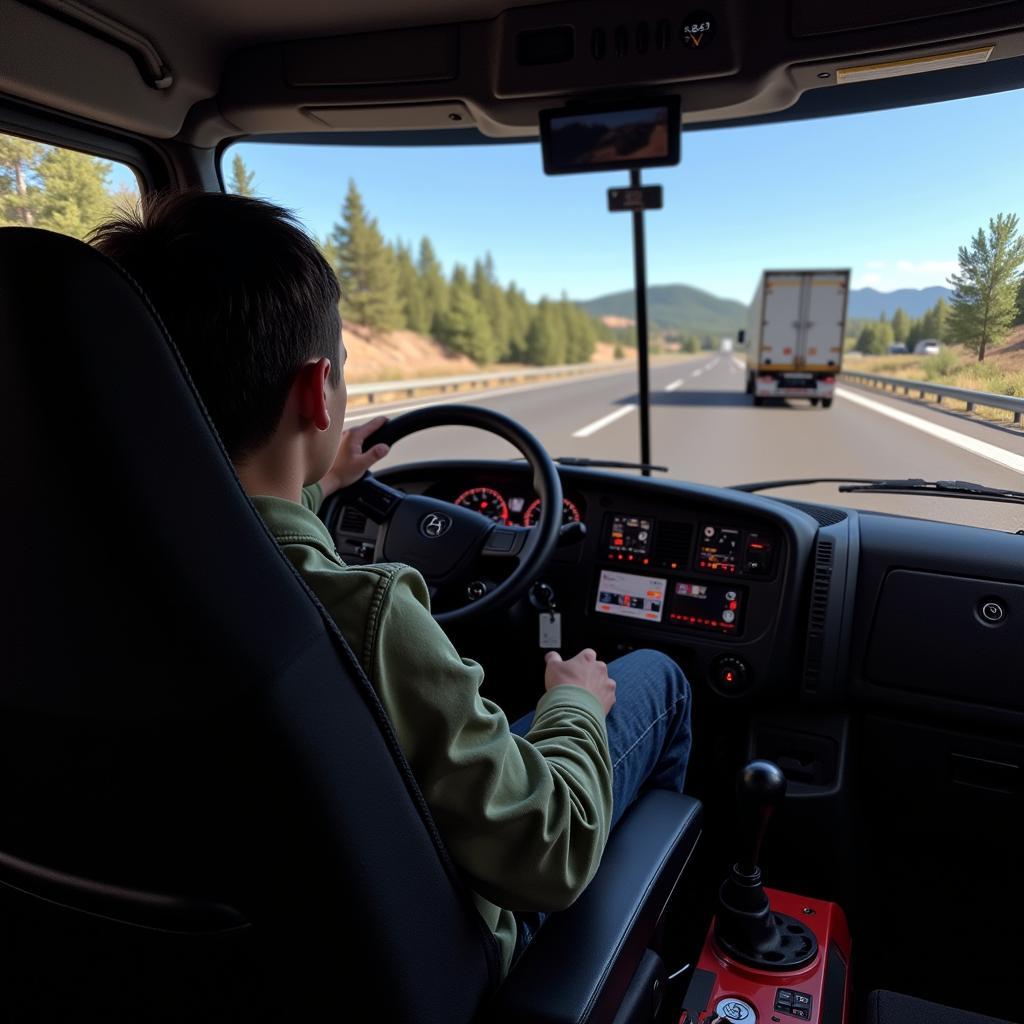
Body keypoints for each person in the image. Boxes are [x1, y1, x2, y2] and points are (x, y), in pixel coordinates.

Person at [89, 190, 692, 975]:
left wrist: (316, 480)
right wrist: (573, 704)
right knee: (659, 681)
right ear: (317, 392)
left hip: (215, 941)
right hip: (434, 955)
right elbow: (550, 851)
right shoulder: (366, 614)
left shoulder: (87, 557)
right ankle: (647, 951)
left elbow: (241, 504)